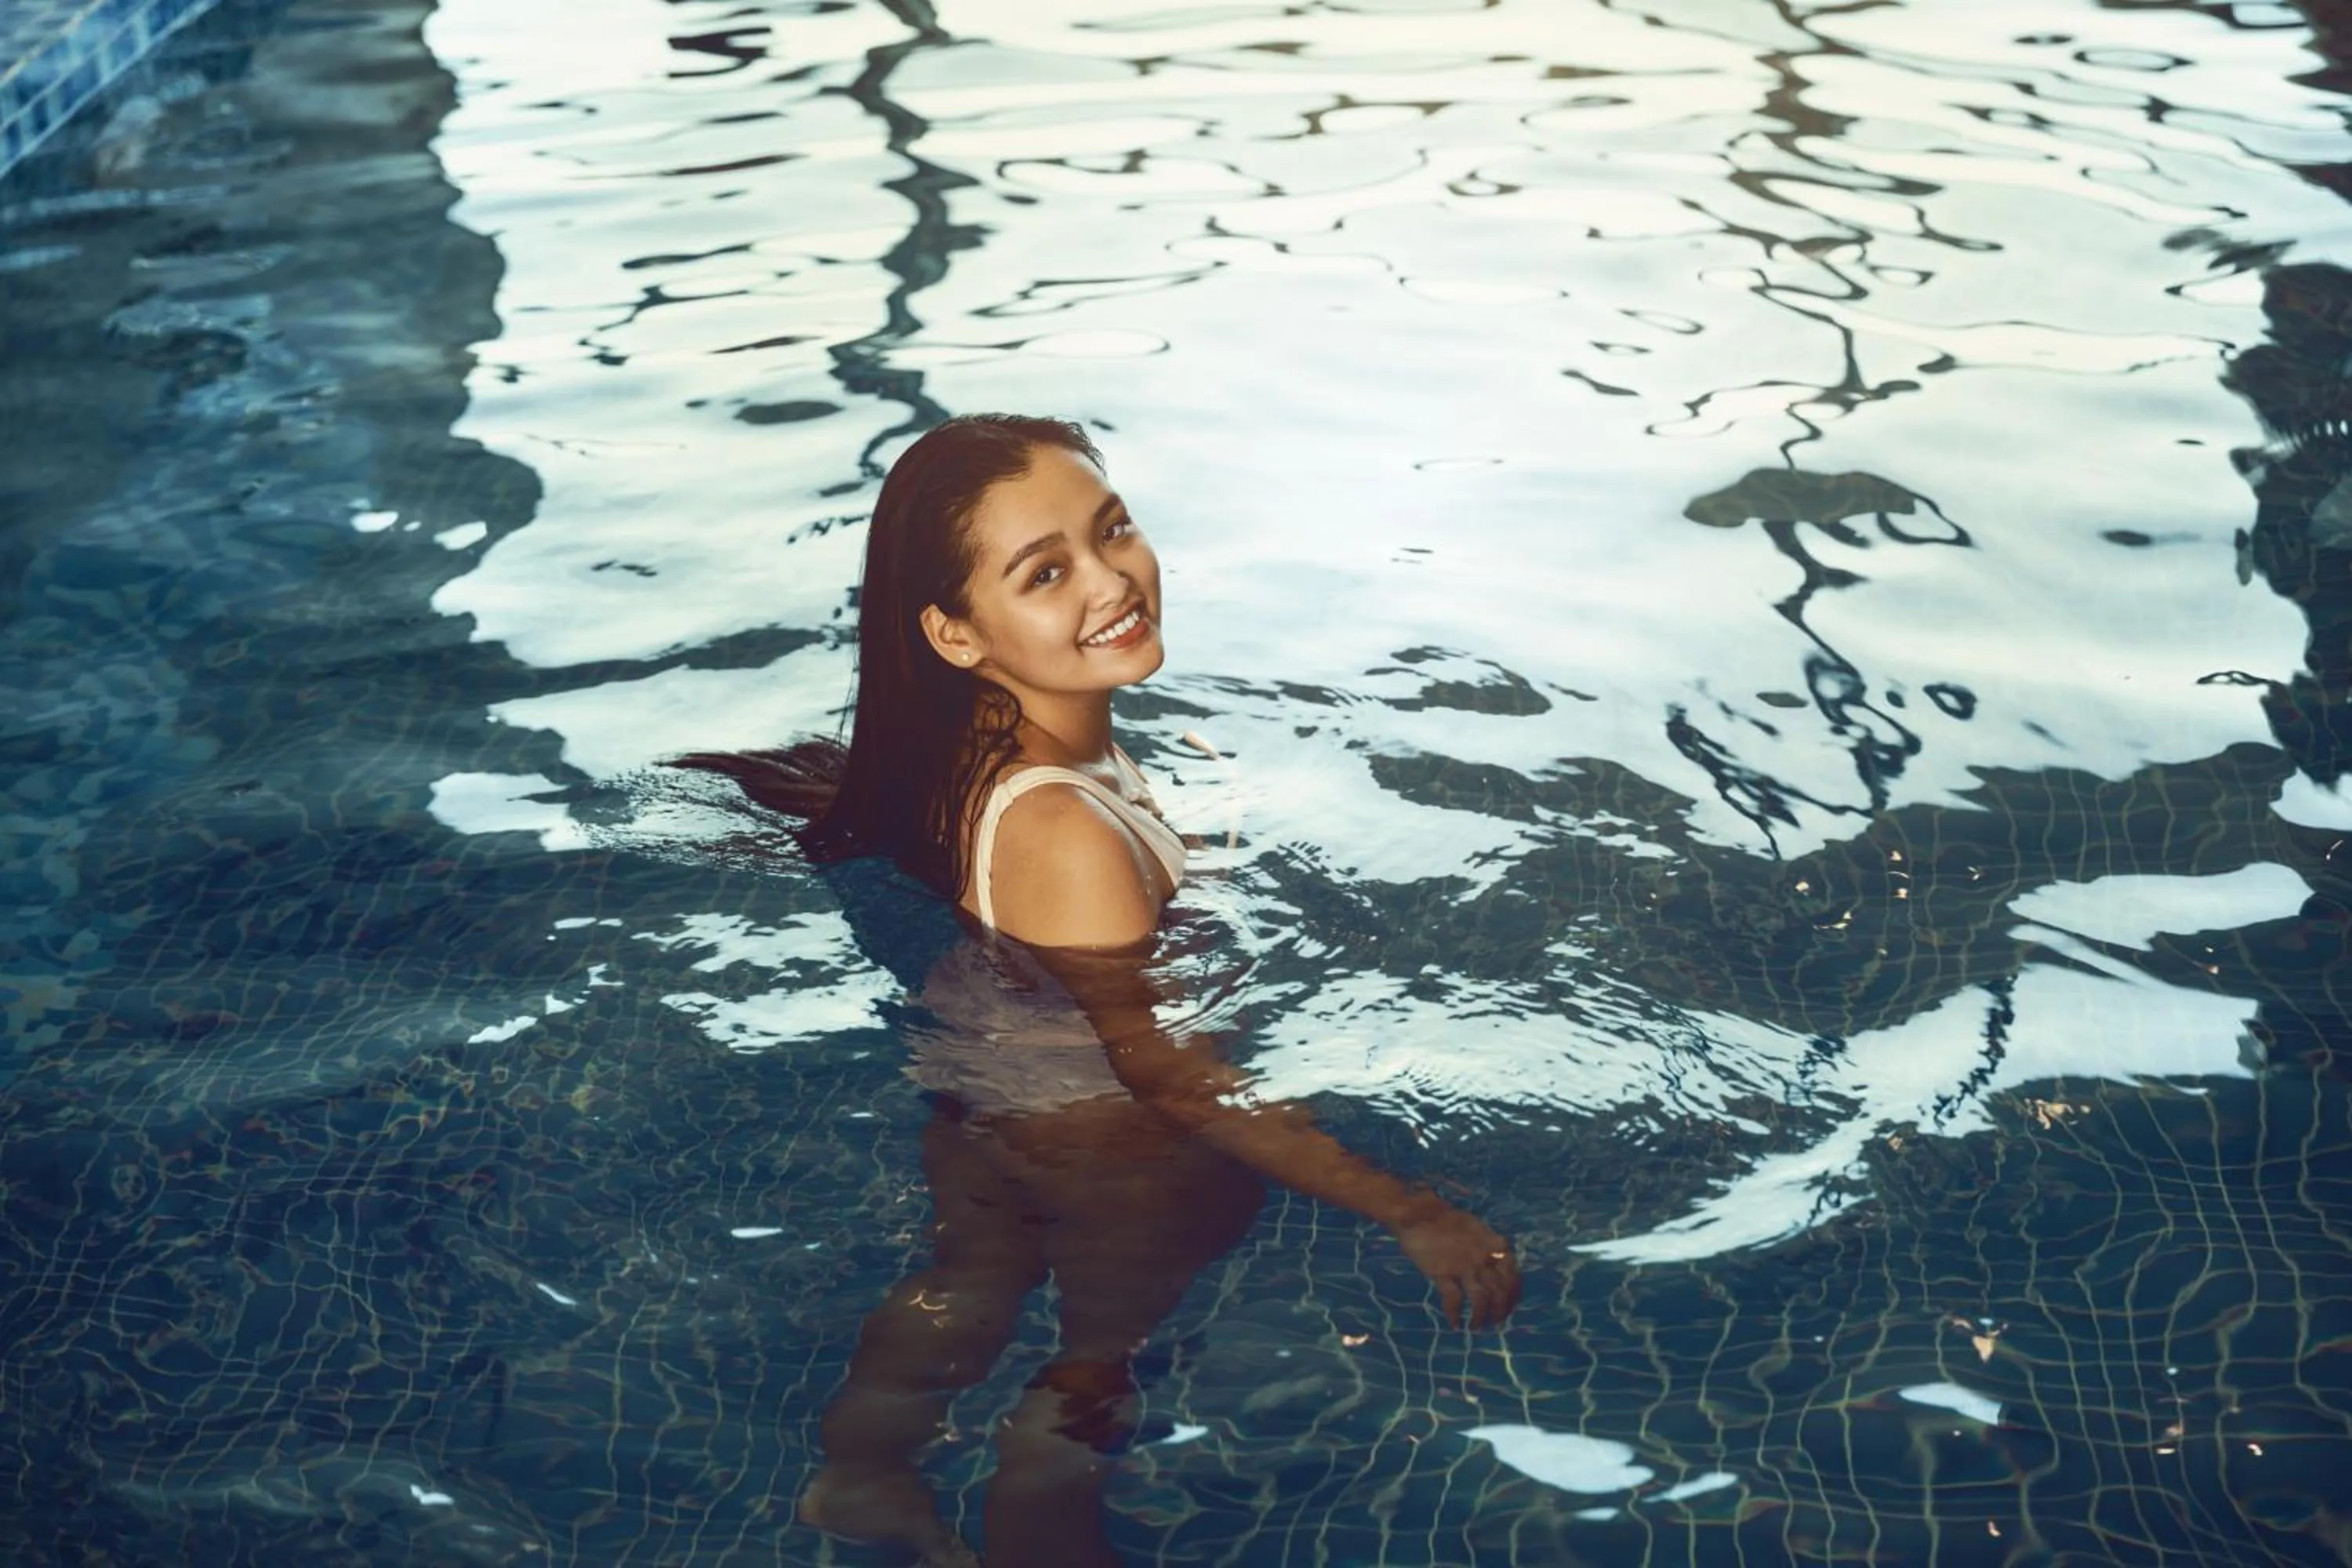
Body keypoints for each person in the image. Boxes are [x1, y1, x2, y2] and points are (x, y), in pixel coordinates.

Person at [671, 414, 1519, 1567]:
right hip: (1110, 1148)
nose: (1112, 579)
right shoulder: (1065, 829)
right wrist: (1410, 1210)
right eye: (1046, 571)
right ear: (956, 635)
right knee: (1094, 1371)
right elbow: (1168, 1072)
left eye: (1111, 528)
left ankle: (858, 1480)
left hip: (987, 1087)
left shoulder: (988, 755)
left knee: (967, 1285)